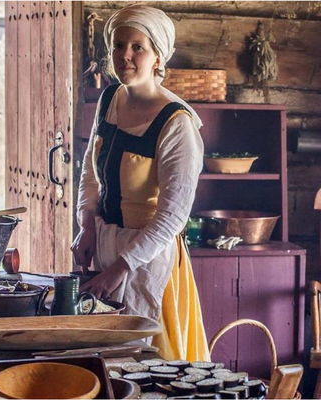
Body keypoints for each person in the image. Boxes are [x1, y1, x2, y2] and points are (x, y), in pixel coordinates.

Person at [71, 4, 209, 361]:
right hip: (105, 244)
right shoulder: (109, 99)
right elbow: (91, 171)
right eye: (118, 45)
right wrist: (86, 225)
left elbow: (172, 217)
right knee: (103, 357)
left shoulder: (176, 124)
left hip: (147, 258)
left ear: (158, 56)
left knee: (144, 360)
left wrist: (121, 266)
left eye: (137, 47)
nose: (125, 56)